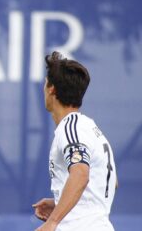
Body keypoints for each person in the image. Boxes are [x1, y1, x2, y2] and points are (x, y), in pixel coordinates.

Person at [32, 51, 117, 231]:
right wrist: (61, 202)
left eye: (45, 83)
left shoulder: (70, 128)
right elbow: (109, 181)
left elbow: (81, 174)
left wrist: (53, 221)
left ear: (52, 89)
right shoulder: (90, 128)